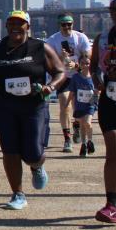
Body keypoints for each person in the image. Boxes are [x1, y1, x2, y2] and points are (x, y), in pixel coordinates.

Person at [0, 10, 66, 210]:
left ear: (28, 26)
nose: (15, 27)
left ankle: (37, 166)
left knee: (33, 153)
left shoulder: (40, 48)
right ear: (6, 27)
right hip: (5, 107)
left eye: (20, 24)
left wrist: (51, 87)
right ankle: (18, 194)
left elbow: (60, 71)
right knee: (10, 151)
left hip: (33, 105)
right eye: (11, 24)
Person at [45, 12, 92, 152]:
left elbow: (88, 56)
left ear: (73, 24)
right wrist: (61, 58)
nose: (66, 27)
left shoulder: (80, 37)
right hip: (63, 76)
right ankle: (67, 139)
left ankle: (76, 125)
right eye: (63, 24)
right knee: (64, 104)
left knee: (78, 107)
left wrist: (76, 65)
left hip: (78, 75)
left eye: (69, 24)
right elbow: (48, 61)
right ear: (59, 25)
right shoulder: (52, 40)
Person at [89, 0, 116, 223]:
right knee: (113, 151)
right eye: (113, 9)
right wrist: (97, 81)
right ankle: (111, 204)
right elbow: (93, 66)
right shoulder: (102, 39)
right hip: (110, 98)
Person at [70, 53, 98, 157]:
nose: (86, 65)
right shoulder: (76, 77)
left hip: (90, 105)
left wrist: (94, 99)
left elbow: (98, 91)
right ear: (79, 64)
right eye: (83, 63)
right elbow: (72, 93)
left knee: (87, 123)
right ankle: (84, 144)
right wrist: (68, 104)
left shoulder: (94, 77)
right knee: (82, 125)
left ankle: (90, 141)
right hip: (79, 105)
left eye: (87, 63)